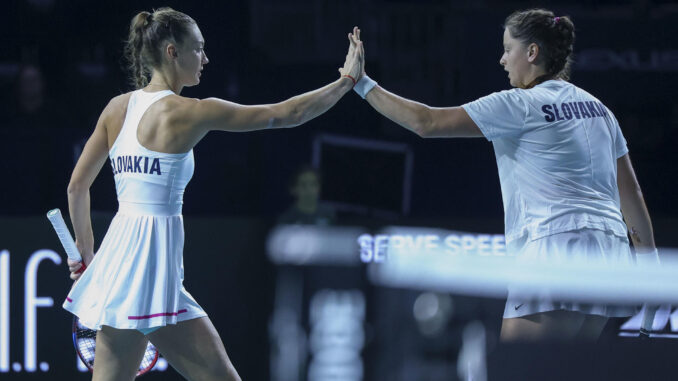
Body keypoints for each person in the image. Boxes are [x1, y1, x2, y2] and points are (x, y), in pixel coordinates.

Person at [63, 7, 362, 381]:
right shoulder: (191, 112)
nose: (205, 58)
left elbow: (77, 187)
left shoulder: (115, 108)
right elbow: (287, 113)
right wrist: (347, 81)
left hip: (123, 269)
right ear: (173, 51)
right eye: (199, 49)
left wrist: (87, 253)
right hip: (148, 272)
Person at [348, 9, 657, 342]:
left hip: (554, 249)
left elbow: (427, 122)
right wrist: (650, 270)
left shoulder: (519, 104)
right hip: (610, 256)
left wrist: (362, 84)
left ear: (532, 52)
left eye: (508, 49)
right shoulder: (601, 110)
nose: (502, 59)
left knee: (514, 369)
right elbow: (631, 195)